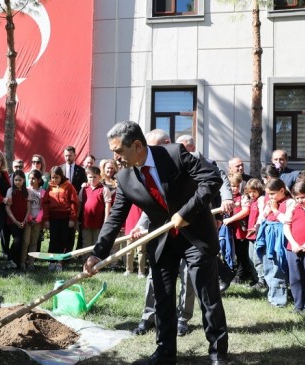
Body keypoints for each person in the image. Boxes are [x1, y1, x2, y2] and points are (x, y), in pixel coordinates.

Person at [84, 121, 228, 365]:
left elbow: (212, 179)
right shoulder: (125, 177)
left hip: (195, 236)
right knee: (163, 297)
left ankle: (217, 355)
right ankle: (165, 353)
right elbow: (115, 217)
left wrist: (186, 212)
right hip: (162, 240)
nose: (115, 156)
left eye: (118, 150)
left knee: (207, 296)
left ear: (137, 145)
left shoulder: (174, 154)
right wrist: (98, 254)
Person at [255, 178, 295, 307]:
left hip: (279, 237)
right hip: (268, 235)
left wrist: (275, 209)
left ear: (282, 190)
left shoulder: (290, 202)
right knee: (268, 267)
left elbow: (286, 220)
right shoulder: (271, 202)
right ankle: (271, 297)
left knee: (278, 267)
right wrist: (268, 210)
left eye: (272, 193)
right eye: (268, 194)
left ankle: (279, 300)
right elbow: (263, 217)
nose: (269, 197)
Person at [283, 180, 305, 314]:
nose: (300, 200)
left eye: (303, 197)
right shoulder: (294, 208)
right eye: (297, 198)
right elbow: (286, 226)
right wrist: (293, 243)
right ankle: (298, 305)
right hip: (294, 248)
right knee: (295, 277)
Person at [42, 165, 78, 272]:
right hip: (53, 218)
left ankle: (60, 262)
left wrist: (72, 218)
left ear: (61, 176)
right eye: (52, 177)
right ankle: (52, 261)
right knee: (53, 240)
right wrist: (46, 219)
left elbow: (74, 203)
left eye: (56, 177)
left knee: (63, 240)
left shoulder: (69, 186)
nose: (54, 180)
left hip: (65, 218)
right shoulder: (49, 187)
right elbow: (45, 204)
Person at [222, 173, 256, 284]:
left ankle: (241, 275)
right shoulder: (226, 197)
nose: (234, 188)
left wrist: (231, 220)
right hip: (228, 229)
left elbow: (245, 211)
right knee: (232, 251)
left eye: (237, 186)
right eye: (232, 186)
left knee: (242, 253)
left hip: (239, 230)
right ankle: (236, 272)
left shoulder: (243, 197)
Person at [79, 166, 112, 248]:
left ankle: (96, 259)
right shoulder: (84, 189)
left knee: (97, 242)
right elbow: (79, 203)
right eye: (90, 177)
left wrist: (106, 219)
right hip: (86, 221)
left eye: (95, 177)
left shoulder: (104, 189)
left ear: (99, 177)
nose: (92, 179)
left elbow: (107, 205)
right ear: (87, 177)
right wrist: (76, 218)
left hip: (99, 221)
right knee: (86, 241)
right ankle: (86, 258)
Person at [5, 170, 30, 268]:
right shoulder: (10, 191)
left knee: (22, 242)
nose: (17, 182)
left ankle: (18, 263)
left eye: (20, 180)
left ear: (24, 180)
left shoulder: (27, 192)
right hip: (12, 221)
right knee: (17, 240)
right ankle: (10, 261)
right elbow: (7, 207)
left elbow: (28, 208)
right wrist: (15, 221)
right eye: (15, 180)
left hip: (23, 221)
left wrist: (24, 220)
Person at [244, 178, 267, 290]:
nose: (252, 194)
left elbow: (262, 214)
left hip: (257, 233)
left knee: (257, 258)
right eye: (249, 192)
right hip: (251, 234)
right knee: (251, 257)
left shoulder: (261, 199)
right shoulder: (252, 201)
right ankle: (256, 278)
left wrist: (256, 227)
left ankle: (262, 280)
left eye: (254, 191)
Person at [24, 169, 45, 271]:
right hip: (27, 220)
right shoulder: (26, 190)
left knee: (34, 242)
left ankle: (31, 263)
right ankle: (23, 262)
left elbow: (43, 208)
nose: (31, 181)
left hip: (37, 221)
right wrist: (29, 218)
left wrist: (37, 220)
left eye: (33, 179)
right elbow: (25, 207)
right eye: (30, 178)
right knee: (26, 241)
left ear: (39, 180)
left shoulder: (42, 192)